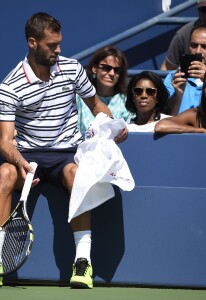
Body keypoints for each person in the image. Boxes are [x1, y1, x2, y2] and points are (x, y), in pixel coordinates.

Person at [0, 12, 127, 289]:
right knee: (4, 174)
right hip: (28, 157)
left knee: (77, 175)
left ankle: (82, 262)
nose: (58, 50)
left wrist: (112, 125)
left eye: (59, 43)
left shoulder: (72, 69)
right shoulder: (10, 85)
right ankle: (0, 257)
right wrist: (20, 161)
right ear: (32, 43)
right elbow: (5, 141)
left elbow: (95, 105)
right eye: (51, 45)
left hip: (65, 154)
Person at [164, 22, 206, 115]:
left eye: (205, 46)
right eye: (194, 45)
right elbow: (166, 117)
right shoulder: (173, 77)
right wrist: (177, 95)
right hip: (177, 128)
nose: (198, 51)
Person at [76, 45, 134, 135]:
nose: (112, 73)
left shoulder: (127, 101)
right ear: (94, 68)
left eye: (117, 70)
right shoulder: (79, 98)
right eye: (106, 68)